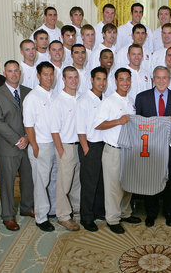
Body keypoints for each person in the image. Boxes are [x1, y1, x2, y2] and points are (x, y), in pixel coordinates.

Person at [94, 68, 141, 234]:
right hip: (113, 150)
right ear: (115, 81)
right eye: (122, 79)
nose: (125, 83)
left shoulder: (131, 101)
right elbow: (98, 124)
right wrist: (118, 121)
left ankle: (125, 213)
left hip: (129, 150)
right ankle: (112, 219)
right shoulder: (108, 101)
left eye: (128, 79)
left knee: (127, 185)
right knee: (113, 186)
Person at [135, 66, 171, 227]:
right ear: (153, 79)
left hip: (169, 146)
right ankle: (151, 213)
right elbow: (137, 123)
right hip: (149, 146)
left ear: (169, 80)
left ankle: (170, 212)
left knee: (170, 179)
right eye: (158, 77)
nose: (161, 81)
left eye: (164, 78)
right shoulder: (142, 97)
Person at [0, 60, 34, 232]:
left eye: (16, 70)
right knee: (7, 183)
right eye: (10, 71)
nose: (14, 74)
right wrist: (18, 140)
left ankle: (27, 207)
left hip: (27, 143)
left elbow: (35, 118)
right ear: (4, 73)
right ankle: (8, 216)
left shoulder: (29, 92)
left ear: (20, 72)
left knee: (28, 179)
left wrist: (27, 138)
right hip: (8, 146)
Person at [23, 61, 56, 232]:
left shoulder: (53, 95)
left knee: (52, 180)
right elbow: (28, 125)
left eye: (51, 74)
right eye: (45, 74)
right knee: (40, 183)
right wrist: (35, 147)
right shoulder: (32, 97)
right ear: (38, 76)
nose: (49, 77)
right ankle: (41, 218)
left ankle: (52, 210)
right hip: (40, 146)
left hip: (54, 144)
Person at [77, 67, 108, 231]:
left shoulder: (104, 99)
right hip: (89, 145)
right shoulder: (84, 100)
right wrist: (86, 149)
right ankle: (86, 217)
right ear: (91, 80)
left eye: (104, 79)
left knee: (101, 182)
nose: (101, 83)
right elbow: (80, 128)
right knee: (89, 183)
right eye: (98, 79)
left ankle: (98, 211)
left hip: (103, 145)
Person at [50, 66, 81, 231]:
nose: (73, 80)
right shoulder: (58, 101)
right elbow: (54, 130)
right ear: (63, 79)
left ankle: (76, 208)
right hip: (66, 147)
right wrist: (61, 151)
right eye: (70, 77)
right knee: (63, 183)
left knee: (76, 181)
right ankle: (63, 216)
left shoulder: (80, 98)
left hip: (79, 146)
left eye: (76, 77)